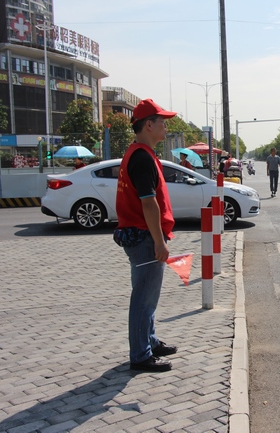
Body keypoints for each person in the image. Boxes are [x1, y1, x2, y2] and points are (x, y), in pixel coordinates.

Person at [113, 98, 178, 373]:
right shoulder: (141, 157)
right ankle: (140, 355)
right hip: (144, 237)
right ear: (148, 125)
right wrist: (159, 242)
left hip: (141, 234)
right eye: (162, 122)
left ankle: (149, 341)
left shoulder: (140, 153)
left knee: (148, 295)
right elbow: (148, 203)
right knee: (143, 297)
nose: (165, 126)